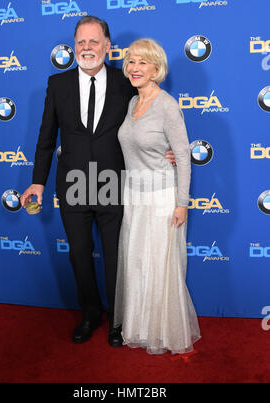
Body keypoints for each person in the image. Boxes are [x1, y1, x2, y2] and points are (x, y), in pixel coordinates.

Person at [20, 16, 176, 347]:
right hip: (73, 183)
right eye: (81, 42)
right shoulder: (57, 84)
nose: (87, 48)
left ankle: (118, 321)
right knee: (78, 253)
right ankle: (90, 314)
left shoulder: (126, 83)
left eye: (94, 42)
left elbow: (148, 120)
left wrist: (166, 151)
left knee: (116, 256)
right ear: (73, 46)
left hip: (115, 183)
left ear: (108, 45)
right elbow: (46, 138)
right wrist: (37, 182)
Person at [113, 38, 201, 355]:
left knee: (160, 267)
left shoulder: (167, 105)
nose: (135, 68)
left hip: (162, 198)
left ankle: (163, 332)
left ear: (156, 69)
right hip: (134, 197)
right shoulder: (132, 103)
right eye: (131, 61)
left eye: (143, 62)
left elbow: (183, 156)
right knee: (137, 263)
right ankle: (137, 327)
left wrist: (182, 203)